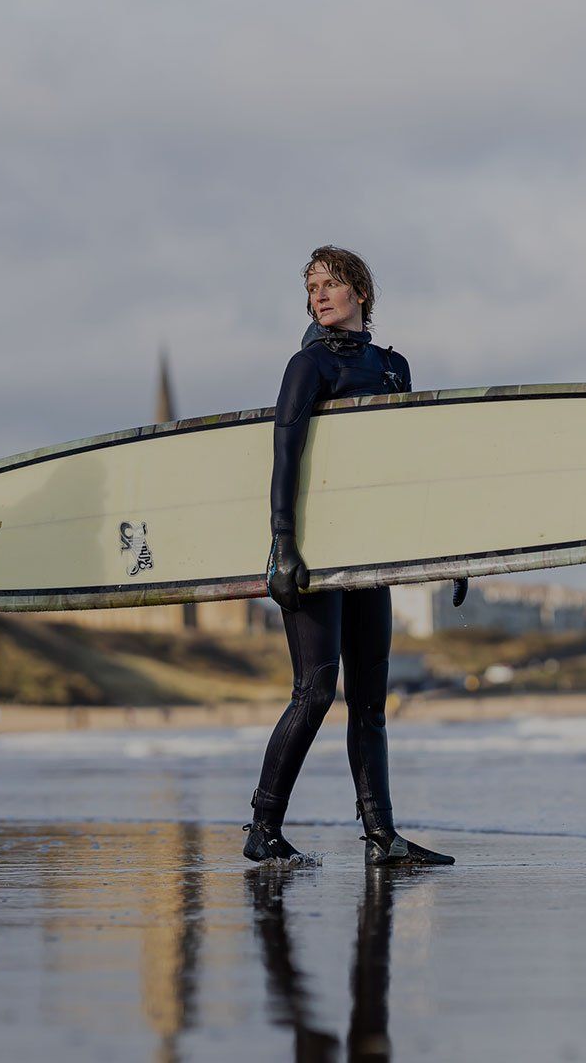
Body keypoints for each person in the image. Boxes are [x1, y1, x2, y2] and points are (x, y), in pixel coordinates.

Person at [245, 246, 455, 867]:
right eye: (310, 287)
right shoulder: (307, 366)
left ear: (360, 290)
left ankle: (382, 837)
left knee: (369, 700)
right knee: (314, 690)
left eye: (329, 283)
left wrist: (453, 550)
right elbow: (285, 455)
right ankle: (263, 827)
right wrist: (283, 544)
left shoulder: (393, 369)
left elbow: (407, 471)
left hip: (371, 553)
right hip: (314, 548)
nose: (318, 295)